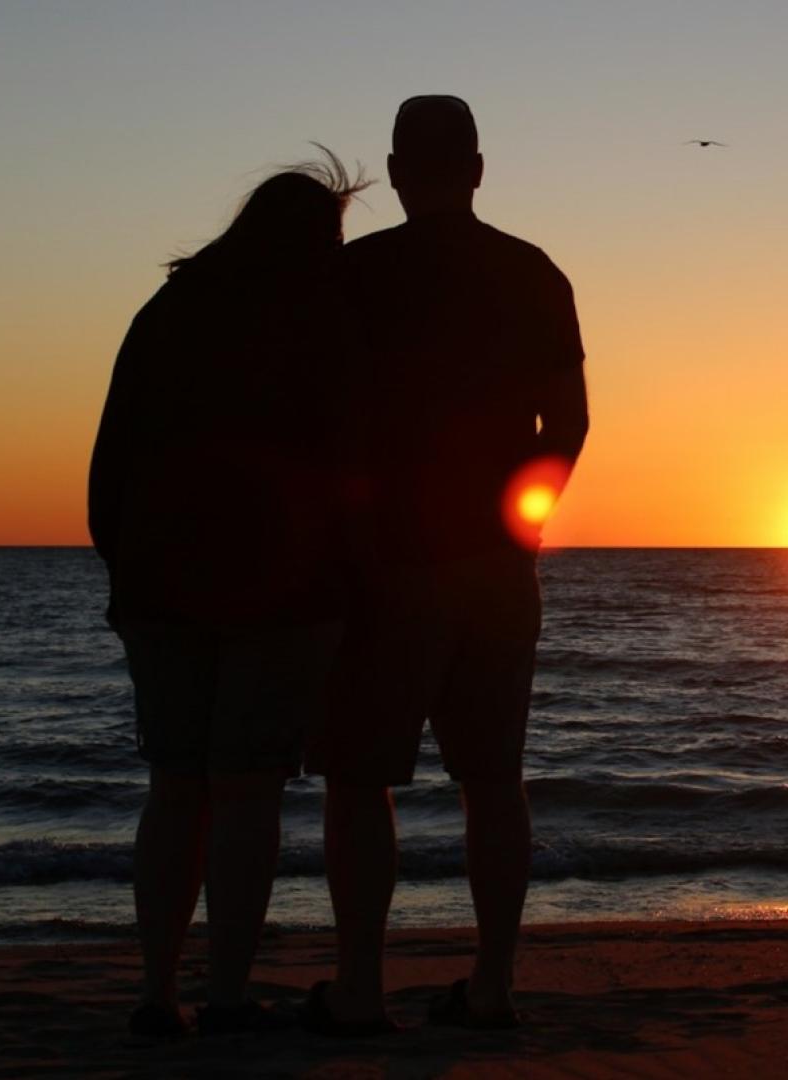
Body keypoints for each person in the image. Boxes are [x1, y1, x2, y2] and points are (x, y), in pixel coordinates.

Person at [302, 95, 589, 1036]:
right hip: (498, 569)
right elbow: (571, 422)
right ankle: (494, 983)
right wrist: (522, 524)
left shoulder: (352, 277)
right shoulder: (533, 273)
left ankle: (358, 986)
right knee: (493, 779)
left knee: (359, 779)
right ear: (475, 168)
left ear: (394, 171)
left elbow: (320, 424)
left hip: (387, 564)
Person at [88, 150, 369, 1038]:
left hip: (163, 585)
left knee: (175, 789)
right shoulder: (322, 320)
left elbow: (112, 461)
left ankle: (157, 992)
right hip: (285, 595)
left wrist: (123, 575)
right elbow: (353, 466)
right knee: (247, 793)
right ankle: (227, 994)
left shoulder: (168, 311)